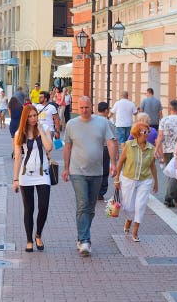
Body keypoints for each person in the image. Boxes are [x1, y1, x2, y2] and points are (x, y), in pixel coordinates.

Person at [62, 96, 118, 257]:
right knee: (82, 204)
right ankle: (84, 240)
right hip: (77, 171)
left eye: (87, 107)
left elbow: (111, 142)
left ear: (91, 107)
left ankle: (82, 236)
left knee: (91, 208)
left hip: (97, 172)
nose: (84, 110)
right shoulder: (72, 125)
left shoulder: (102, 123)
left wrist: (113, 164)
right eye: (81, 108)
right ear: (77, 109)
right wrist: (66, 168)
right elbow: (67, 147)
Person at [12, 105, 54, 253]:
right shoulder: (19, 134)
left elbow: (49, 147)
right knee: (29, 209)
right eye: (30, 116)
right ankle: (29, 240)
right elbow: (17, 157)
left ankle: (38, 234)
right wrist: (15, 179)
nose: (33, 118)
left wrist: (41, 131)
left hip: (43, 174)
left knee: (43, 206)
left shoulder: (45, 128)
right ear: (25, 118)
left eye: (35, 115)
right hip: (26, 176)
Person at [115, 122, 158, 242]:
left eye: (148, 132)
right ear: (137, 133)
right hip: (129, 178)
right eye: (144, 132)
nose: (147, 134)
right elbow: (120, 163)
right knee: (128, 206)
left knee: (141, 205)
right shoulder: (128, 145)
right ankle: (129, 219)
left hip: (145, 180)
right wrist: (117, 178)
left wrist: (156, 181)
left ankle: (135, 231)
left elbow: (153, 166)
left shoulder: (151, 148)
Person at [155, 99, 177, 207]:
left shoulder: (164, 120)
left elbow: (160, 136)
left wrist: (156, 149)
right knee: (175, 173)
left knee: (172, 173)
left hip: (167, 150)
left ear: (169, 108)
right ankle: (170, 197)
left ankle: (174, 196)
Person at [96, 102, 117, 200]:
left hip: (93, 148)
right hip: (105, 148)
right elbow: (113, 139)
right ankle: (100, 192)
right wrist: (116, 153)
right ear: (106, 111)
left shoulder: (92, 120)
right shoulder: (109, 123)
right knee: (104, 170)